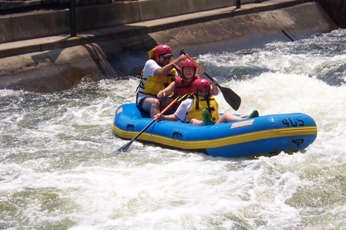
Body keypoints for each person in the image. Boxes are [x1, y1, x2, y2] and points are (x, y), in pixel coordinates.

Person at [154, 78, 259, 125]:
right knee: (193, 120)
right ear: (196, 91)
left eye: (205, 91)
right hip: (195, 126)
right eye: (201, 91)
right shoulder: (187, 102)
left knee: (226, 115)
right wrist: (162, 117)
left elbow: (215, 92)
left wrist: (213, 84)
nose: (203, 93)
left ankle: (245, 119)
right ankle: (205, 122)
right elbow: (176, 117)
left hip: (214, 124)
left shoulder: (211, 99)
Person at [136, 44, 186, 118]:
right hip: (145, 99)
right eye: (165, 57)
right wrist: (178, 60)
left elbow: (177, 84)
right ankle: (155, 124)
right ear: (157, 57)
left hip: (161, 98)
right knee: (155, 102)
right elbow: (160, 72)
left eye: (169, 57)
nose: (167, 60)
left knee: (178, 102)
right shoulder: (150, 63)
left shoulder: (172, 70)